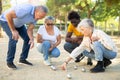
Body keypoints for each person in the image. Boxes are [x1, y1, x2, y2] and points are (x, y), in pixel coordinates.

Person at [0, 4, 48, 69]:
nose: (39, 18)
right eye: (40, 16)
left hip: (19, 24)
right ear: (36, 11)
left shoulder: (37, 17)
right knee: (14, 38)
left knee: (28, 39)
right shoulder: (26, 9)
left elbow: (30, 29)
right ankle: (9, 62)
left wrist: (31, 39)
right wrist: (13, 30)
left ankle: (22, 59)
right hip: (5, 20)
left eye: (41, 18)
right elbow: (8, 15)